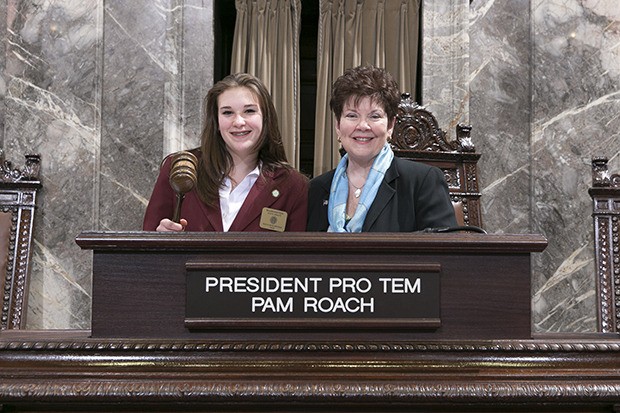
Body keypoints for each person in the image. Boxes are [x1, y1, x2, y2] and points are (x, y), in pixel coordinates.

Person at [143, 73, 308, 232]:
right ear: (216, 120)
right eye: (227, 113)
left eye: (249, 111)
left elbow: (294, 257)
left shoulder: (292, 186)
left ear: (266, 118)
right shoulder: (181, 167)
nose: (238, 122)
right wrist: (161, 238)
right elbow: (146, 246)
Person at [307, 65, 457, 232]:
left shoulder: (422, 182)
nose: (363, 126)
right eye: (352, 115)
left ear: (390, 125)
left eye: (374, 116)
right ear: (337, 125)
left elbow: (446, 253)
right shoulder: (316, 189)